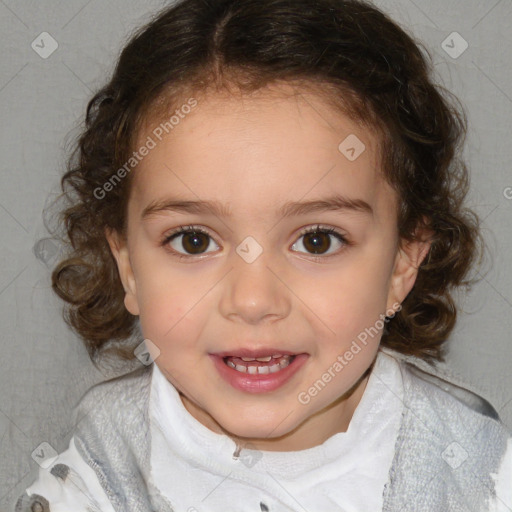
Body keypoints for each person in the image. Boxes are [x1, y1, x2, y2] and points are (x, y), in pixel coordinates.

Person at [14, 0, 512, 510]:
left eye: (317, 240)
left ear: (404, 262)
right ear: (128, 265)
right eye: (194, 240)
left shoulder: (478, 475)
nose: (253, 301)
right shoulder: (97, 477)